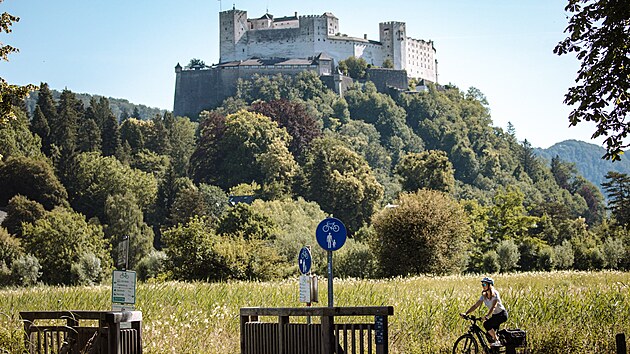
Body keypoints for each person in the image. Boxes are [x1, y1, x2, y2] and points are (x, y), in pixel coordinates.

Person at [460, 277, 508, 347]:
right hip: (495, 316)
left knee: (486, 324)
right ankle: (493, 350)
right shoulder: (484, 296)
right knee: (488, 335)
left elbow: (493, 307)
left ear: (489, 285)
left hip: (502, 315)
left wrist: (487, 315)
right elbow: (476, 305)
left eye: (484, 284)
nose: (483, 286)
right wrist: (466, 313)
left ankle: (497, 341)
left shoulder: (495, 294)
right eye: (482, 284)